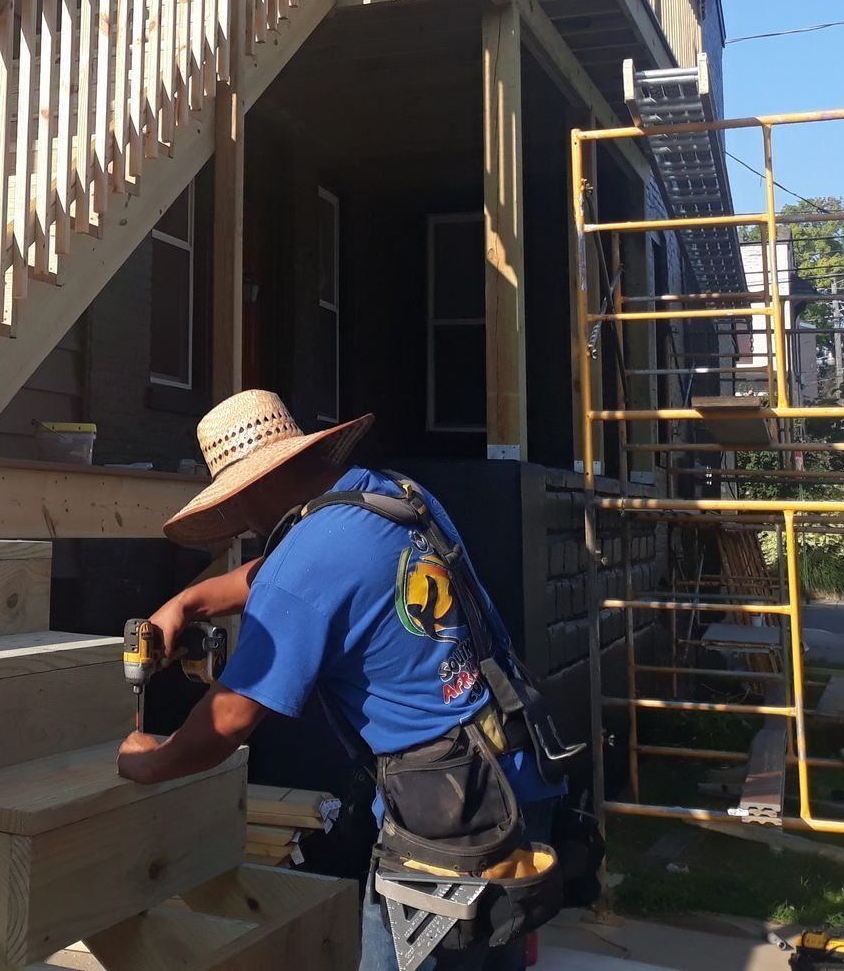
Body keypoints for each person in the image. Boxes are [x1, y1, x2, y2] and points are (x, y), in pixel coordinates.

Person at [116, 391, 566, 971]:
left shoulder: (309, 560)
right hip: (521, 766)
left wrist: (150, 760)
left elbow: (229, 719)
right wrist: (191, 601)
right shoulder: (392, 496)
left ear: (254, 488)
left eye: (240, 506)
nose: (248, 524)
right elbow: (298, 572)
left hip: (448, 820)